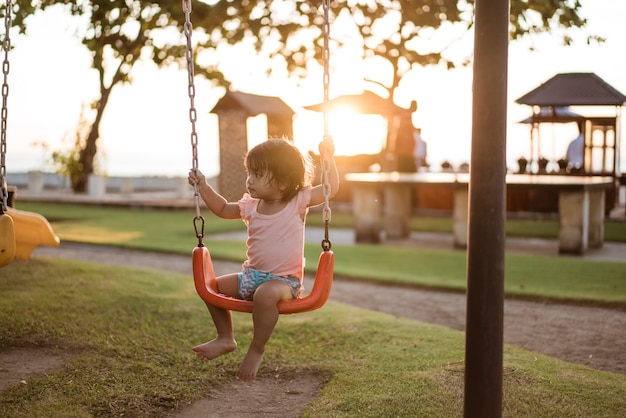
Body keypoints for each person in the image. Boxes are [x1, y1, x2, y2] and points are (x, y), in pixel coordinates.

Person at [187, 138, 339, 382]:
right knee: (212, 288)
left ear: (282, 182)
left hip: (283, 283)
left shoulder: (297, 202)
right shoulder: (251, 206)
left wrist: (328, 159)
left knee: (265, 295)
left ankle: (257, 348)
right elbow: (223, 208)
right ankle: (225, 337)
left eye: (257, 174)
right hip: (251, 278)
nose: (249, 179)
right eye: (250, 172)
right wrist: (203, 186)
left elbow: (329, 189)